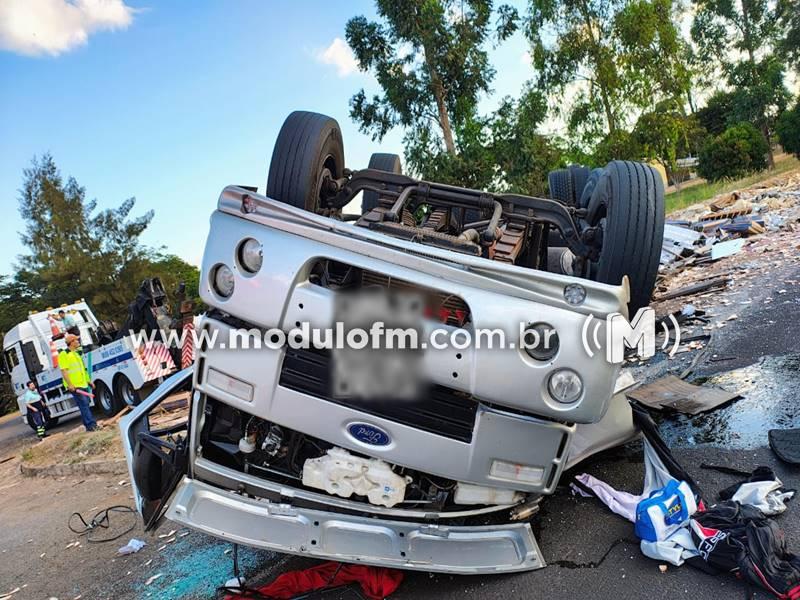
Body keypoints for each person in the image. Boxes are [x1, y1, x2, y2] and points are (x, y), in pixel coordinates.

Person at [58, 333, 100, 432]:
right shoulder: (64, 354)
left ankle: (88, 425)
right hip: (75, 386)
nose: (78, 342)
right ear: (71, 342)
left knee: (85, 404)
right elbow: (64, 371)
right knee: (84, 404)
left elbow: (83, 370)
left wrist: (89, 381)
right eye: (76, 340)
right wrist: (70, 384)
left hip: (83, 384)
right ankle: (91, 425)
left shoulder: (76, 354)